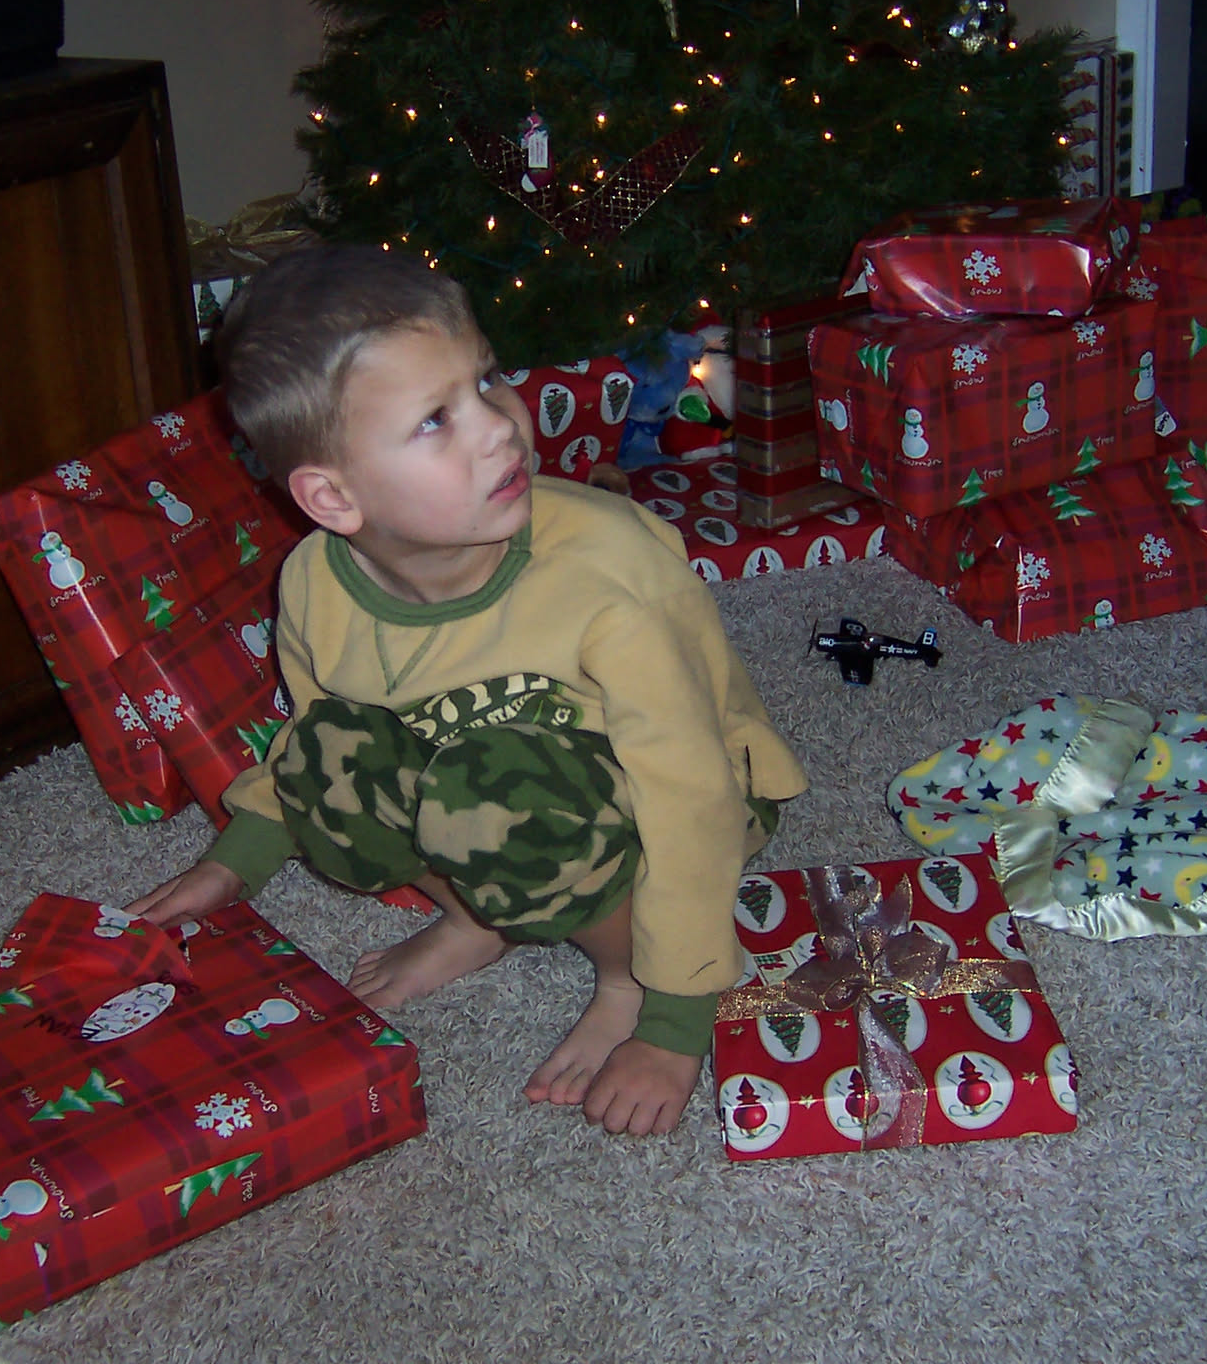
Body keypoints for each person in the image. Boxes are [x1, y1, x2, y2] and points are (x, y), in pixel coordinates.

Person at [129, 245, 806, 1137]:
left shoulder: (607, 574)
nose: (498, 427)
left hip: (684, 796)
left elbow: (693, 797)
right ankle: (473, 920)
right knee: (333, 760)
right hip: (487, 788)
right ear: (332, 499)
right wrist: (231, 864)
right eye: (435, 420)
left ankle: (623, 976)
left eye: (486, 379)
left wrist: (676, 1019)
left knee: (491, 793)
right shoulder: (316, 583)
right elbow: (315, 737)